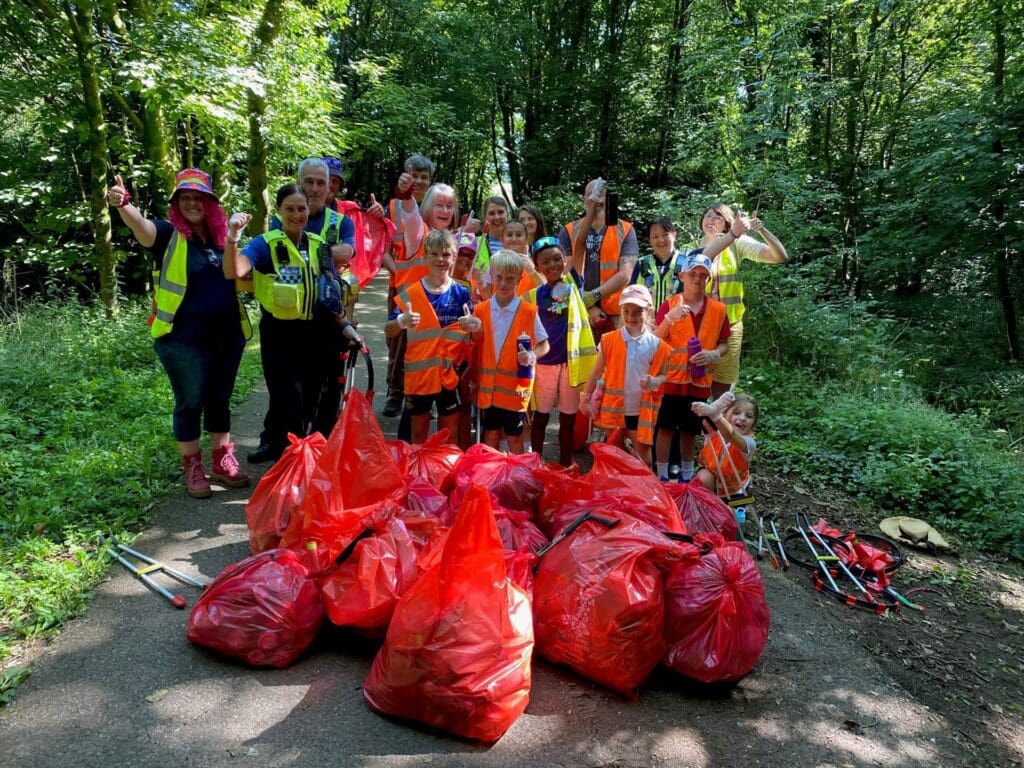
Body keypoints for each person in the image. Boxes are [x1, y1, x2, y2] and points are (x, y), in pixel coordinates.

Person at [106, 169, 251, 499]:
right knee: (189, 402)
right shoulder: (168, 234)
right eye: (184, 198)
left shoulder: (221, 238)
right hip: (183, 340)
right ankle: (193, 466)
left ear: (211, 204)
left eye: (198, 198)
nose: (191, 204)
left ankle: (222, 460)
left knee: (219, 400)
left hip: (227, 336)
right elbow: (142, 230)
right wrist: (123, 204)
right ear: (176, 205)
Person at [223, 184, 361, 464]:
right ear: (279, 211)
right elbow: (233, 270)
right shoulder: (265, 244)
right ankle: (284, 457)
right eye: (290, 209)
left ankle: (292, 459)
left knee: (309, 403)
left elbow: (330, 295)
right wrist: (232, 239)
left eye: (301, 208)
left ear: (308, 210)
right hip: (280, 336)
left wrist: (347, 327)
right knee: (289, 401)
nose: (297, 214)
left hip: (317, 334)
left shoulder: (319, 246)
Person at [385, 230, 474, 445]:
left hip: (449, 376)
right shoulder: (412, 293)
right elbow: (388, 330)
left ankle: (445, 474)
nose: (440, 260)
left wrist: (475, 326)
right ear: (425, 257)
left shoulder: (462, 292)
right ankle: (416, 476)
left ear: (453, 257)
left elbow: (471, 334)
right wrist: (401, 322)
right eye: (434, 254)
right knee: (417, 435)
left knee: (449, 436)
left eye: (445, 254)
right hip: (420, 378)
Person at [697, 204, 788, 397]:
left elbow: (779, 256)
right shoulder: (690, 249)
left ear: (728, 224)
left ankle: (721, 424)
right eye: (708, 216)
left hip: (729, 326)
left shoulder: (737, 244)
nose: (710, 220)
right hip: (698, 326)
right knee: (696, 381)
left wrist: (761, 229)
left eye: (717, 217)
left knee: (722, 386)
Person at [653, 254, 730, 482]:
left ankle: (687, 476)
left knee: (690, 430)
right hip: (671, 380)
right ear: (682, 276)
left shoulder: (718, 310)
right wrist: (670, 318)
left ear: (708, 279)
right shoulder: (670, 305)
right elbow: (656, 339)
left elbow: (725, 342)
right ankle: (662, 477)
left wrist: (715, 353)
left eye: (702, 275)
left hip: (699, 382)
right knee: (665, 428)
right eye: (693, 274)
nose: (697, 279)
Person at [580, 285, 671, 468]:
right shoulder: (609, 340)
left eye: (638, 312)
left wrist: (655, 381)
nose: (631, 317)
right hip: (614, 410)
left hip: (640, 411)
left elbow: (664, 375)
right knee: (615, 455)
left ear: (648, 311)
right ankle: (618, 493)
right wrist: (585, 397)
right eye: (626, 311)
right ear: (620, 310)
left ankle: (640, 492)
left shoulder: (658, 345)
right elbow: (596, 371)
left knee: (642, 460)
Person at [524, 236, 596, 466]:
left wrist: (592, 205)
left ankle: (566, 464)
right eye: (546, 261)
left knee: (568, 418)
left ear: (564, 260)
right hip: (544, 365)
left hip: (570, 365)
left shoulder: (574, 285)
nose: (553, 265)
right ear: (537, 267)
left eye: (557, 259)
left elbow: (581, 241)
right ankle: (536, 464)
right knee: (541, 417)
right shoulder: (533, 295)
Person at [469, 250, 550, 454]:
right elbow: (474, 346)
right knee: (491, 435)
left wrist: (533, 355)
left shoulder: (529, 311)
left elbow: (544, 344)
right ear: (492, 276)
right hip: (488, 389)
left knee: (515, 437)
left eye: (510, 279)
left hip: (515, 389)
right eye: (499, 278)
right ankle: (491, 475)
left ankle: (516, 477)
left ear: (519, 279)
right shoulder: (480, 310)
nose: (504, 284)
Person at [383, 153, 435, 418]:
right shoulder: (393, 206)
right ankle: (394, 392)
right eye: (415, 176)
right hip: (401, 287)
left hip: (431, 289)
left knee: (425, 344)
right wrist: (399, 273)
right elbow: (382, 248)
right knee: (398, 341)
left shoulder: (437, 206)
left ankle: (423, 395)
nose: (419, 182)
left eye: (424, 178)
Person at [559, 178, 640, 329]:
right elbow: (566, 274)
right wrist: (588, 305)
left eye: (601, 195)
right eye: (592, 194)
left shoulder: (625, 229)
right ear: (584, 199)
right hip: (579, 308)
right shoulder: (569, 230)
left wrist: (594, 295)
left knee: (618, 351)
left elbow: (625, 274)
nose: (597, 200)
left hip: (617, 311)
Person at [692, 391, 758, 497]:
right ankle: (707, 501)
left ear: (753, 424)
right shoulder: (714, 432)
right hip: (711, 482)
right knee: (703, 477)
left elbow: (730, 435)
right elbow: (704, 420)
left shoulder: (749, 443)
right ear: (724, 414)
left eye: (749, 416)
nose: (742, 418)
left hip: (734, 492)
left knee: (728, 512)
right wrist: (717, 406)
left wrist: (717, 416)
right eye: (736, 413)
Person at [474, 196, 510, 274]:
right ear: (485, 217)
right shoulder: (475, 243)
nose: (497, 217)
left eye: (500, 212)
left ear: (507, 214)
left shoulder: (518, 241)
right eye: (491, 213)